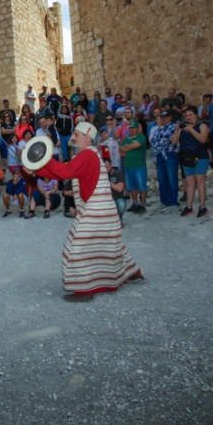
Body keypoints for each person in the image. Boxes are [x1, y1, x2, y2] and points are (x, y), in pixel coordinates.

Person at [34, 122, 144, 302]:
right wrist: (38, 168)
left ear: (87, 137)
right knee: (111, 243)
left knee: (76, 248)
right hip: (103, 210)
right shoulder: (89, 154)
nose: (72, 138)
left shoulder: (86, 154)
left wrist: (41, 161)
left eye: (76, 135)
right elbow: (63, 173)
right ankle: (133, 273)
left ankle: (84, 291)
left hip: (96, 210)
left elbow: (66, 172)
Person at [173, 106, 210, 218]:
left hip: (201, 157)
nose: (188, 117)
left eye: (190, 115)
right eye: (186, 115)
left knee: (200, 181)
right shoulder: (183, 128)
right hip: (186, 158)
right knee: (190, 183)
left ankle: (202, 206)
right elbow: (174, 142)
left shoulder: (202, 126)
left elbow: (203, 139)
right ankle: (189, 207)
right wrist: (177, 130)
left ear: (196, 115)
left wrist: (191, 130)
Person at [149, 109, 181, 208]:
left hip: (170, 154)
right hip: (160, 155)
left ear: (170, 118)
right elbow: (153, 141)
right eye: (162, 117)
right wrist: (164, 141)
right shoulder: (159, 129)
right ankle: (164, 200)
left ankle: (173, 200)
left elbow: (171, 140)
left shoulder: (173, 127)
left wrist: (162, 141)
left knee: (172, 178)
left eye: (165, 117)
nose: (163, 119)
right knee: (162, 179)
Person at [119, 119, 148, 213]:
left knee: (142, 185)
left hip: (139, 165)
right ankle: (135, 203)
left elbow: (135, 145)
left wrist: (127, 147)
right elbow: (121, 149)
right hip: (128, 165)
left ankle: (142, 204)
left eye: (133, 128)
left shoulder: (141, 137)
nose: (131, 130)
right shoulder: (126, 138)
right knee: (131, 186)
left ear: (137, 128)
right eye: (130, 128)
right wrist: (129, 146)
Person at [104, 157, 127, 227]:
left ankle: (118, 220)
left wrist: (108, 182)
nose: (105, 170)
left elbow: (120, 188)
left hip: (117, 199)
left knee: (121, 205)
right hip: (105, 201)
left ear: (111, 165)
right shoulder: (99, 175)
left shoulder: (118, 174)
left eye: (107, 167)